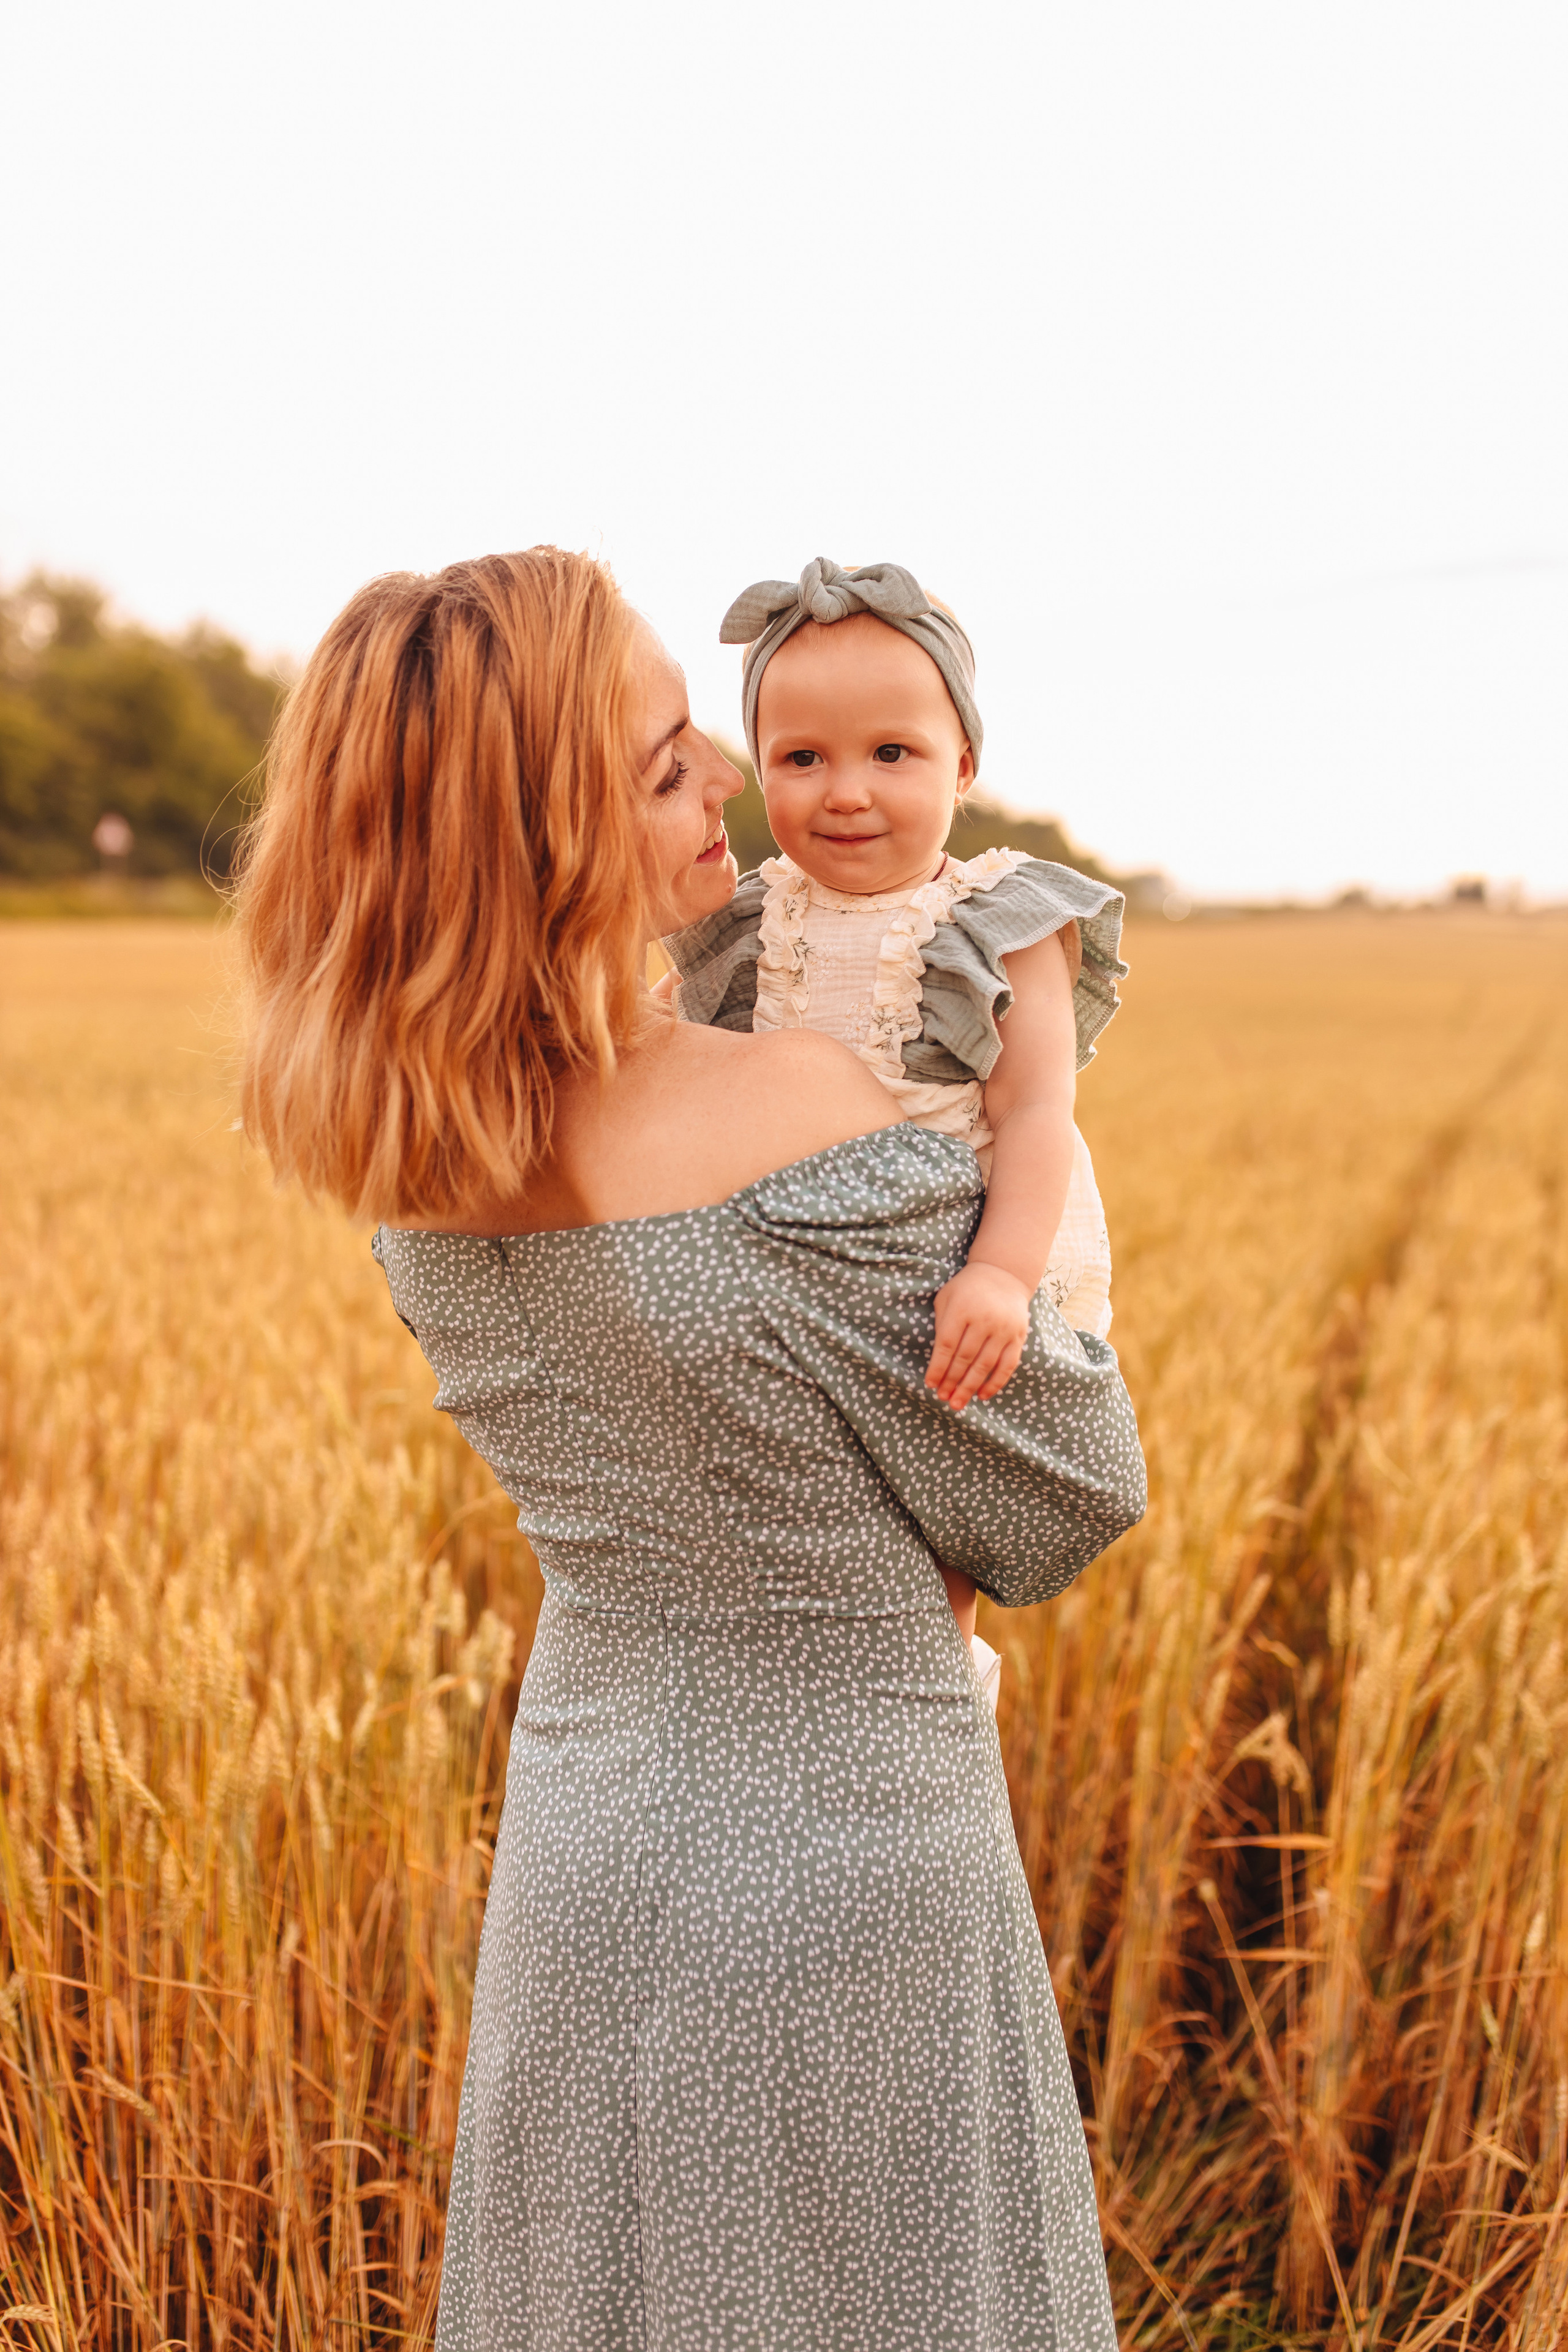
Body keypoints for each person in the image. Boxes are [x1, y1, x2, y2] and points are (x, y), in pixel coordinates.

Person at [235, 546, 1145, 2352]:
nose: (732, 779)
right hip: (852, 1841)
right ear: (543, 831)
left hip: (587, 1819)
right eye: (665, 765)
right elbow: (1066, 1496)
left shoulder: (413, 1165)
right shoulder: (799, 1107)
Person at [662, 557, 1126, 1694]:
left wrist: (1004, 1277)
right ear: (757, 769)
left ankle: (933, 1677)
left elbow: (1032, 1118)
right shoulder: (744, 921)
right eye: (802, 758)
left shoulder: (997, 923)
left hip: (952, 1252)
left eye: (892, 754)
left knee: (942, 1466)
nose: (847, 791)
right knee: (798, 1482)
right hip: (793, 1244)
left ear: (963, 763)